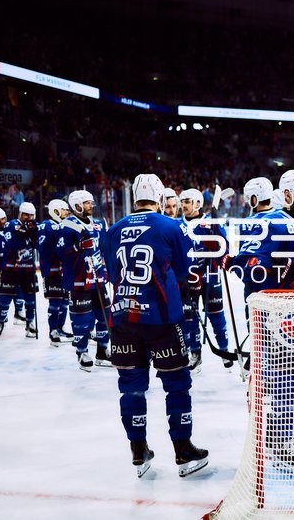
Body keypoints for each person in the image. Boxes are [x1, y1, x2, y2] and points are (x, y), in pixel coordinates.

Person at [103, 173, 209, 478]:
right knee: (177, 384)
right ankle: (182, 449)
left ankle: (138, 450)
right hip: (161, 319)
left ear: (134, 196)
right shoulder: (170, 225)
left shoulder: (113, 230)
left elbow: (112, 274)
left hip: (122, 317)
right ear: (160, 197)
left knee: (132, 388)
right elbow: (185, 271)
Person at [231, 172, 294, 464]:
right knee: (288, 381)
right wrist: (279, 278)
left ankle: (278, 434)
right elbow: (247, 266)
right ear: (288, 195)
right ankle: (279, 442)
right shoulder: (270, 223)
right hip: (277, 316)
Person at [57, 190, 111, 371]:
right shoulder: (66, 225)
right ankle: (82, 351)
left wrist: (108, 269)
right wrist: (77, 246)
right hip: (79, 280)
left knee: (104, 316)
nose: (91, 206)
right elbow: (60, 252)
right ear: (77, 205)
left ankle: (102, 351)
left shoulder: (98, 224)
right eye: (87, 203)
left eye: (91, 202)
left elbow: (104, 249)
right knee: (81, 319)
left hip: (99, 278)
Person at [180, 188, 232, 371]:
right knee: (190, 318)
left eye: (187, 201)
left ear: (198, 204)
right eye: (183, 201)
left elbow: (226, 249)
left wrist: (217, 246)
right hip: (188, 279)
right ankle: (195, 352)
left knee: (217, 315)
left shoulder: (211, 223)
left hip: (210, 276)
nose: (183, 205)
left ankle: (224, 350)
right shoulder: (177, 225)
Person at [0, 202, 39, 338]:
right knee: (5, 298)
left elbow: (37, 243)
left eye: (30, 215)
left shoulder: (33, 226)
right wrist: (27, 231)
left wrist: (32, 232)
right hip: (10, 269)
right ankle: (0, 322)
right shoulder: (10, 224)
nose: (27, 217)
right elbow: (13, 243)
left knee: (30, 299)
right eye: (25, 214)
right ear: (20, 214)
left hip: (28, 269)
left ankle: (30, 323)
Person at [38, 199, 73, 346]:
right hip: (52, 271)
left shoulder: (63, 224)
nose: (67, 212)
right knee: (55, 302)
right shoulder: (47, 226)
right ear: (56, 211)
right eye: (64, 210)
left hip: (64, 270)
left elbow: (80, 228)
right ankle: (53, 330)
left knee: (65, 302)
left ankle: (60, 328)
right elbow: (45, 247)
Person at [0, 207, 26, 329]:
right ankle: (2, 315)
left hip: (14, 266)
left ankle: (19, 313)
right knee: (2, 293)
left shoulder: (12, 229)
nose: (2, 222)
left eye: (3, 219)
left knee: (19, 289)